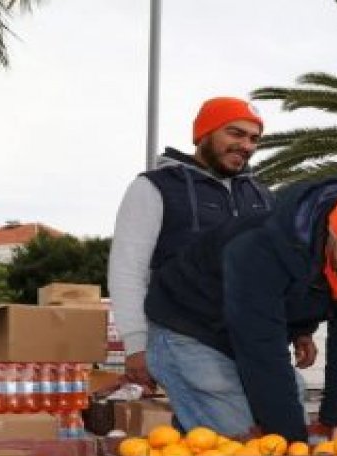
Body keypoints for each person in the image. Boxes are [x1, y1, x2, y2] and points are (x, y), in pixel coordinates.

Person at [143, 167, 337, 440]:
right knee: (242, 441)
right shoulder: (260, 249)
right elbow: (261, 350)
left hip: (240, 331)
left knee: (284, 403)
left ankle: (191, 446)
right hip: (187, 326)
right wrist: (292, 447)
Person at [109, 96, 272, 390]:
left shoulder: (261, 195)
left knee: (280, 423)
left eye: (253, 138)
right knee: (225, 428)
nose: (246, 146)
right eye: (235, 133)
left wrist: (299, 330)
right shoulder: (154, 187)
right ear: (204, 134)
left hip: (252, 340)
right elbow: (127, 269)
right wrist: (135, 344)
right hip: (182, 337)